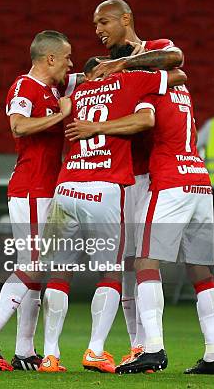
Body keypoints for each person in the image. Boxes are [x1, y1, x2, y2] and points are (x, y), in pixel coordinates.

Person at [66, 48, 214, 375]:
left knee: (142, 261)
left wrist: (98, 127)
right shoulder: (181, 89)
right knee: (200, 271)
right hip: (199, 176)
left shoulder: (149, 88)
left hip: (169, 180)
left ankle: (151, 348)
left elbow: (145, 119)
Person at [39, 56, 186, 373]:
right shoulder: (128, 80)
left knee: (59, 272)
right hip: (105, 188)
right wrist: (125, 67)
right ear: (102, 69)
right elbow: (177, 75)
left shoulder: (75, 94)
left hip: (65, 188)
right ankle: (94, 350)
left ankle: (50, 355)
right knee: (111, 272)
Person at [0, 30, 78, 372]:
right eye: (67, 57)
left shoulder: (52, 89)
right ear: (50, 59)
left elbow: (90, 73)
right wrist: (61, 116)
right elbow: (18, 126)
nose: (70, 64)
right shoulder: (24, 86)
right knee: (32, 267)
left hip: (45, 188)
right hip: (31, 188)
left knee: (36, 272)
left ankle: (25, 350)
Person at [91, 0, 186, 364]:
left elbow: (176, 66)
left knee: (145, 260)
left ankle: (151, 344)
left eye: (103, 22)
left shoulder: (156, 47)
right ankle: (138, 344)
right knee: (129, 260)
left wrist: (122, 65)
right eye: (95, 25)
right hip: (126, 173)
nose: (98, 30)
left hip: (157, 174)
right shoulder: (103, 68)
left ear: (126, 18)